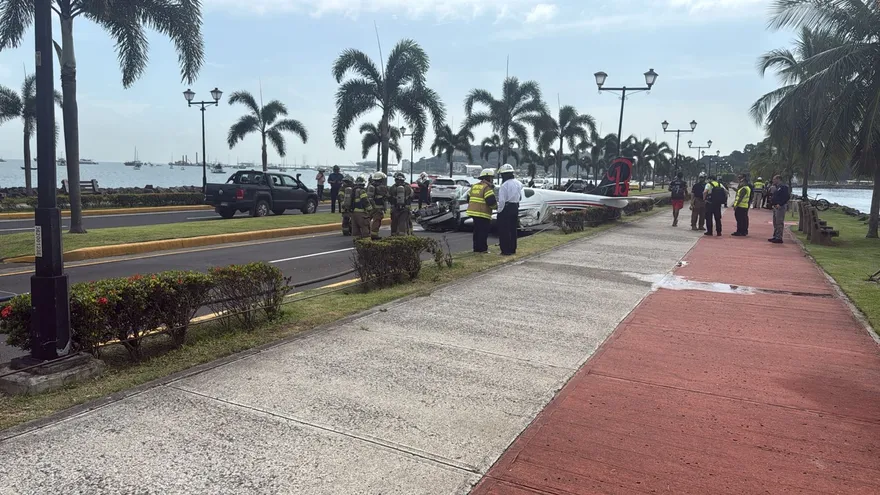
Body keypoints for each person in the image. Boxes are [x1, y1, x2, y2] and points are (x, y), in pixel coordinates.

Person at [467, 169, 497, 253]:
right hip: (482, 213)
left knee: (477, 231)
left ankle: (476, 248)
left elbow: (468, 198)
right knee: (483, 231)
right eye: (491, 178)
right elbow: (491, 201)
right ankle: (483, 249)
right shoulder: (487, 188)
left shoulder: (474, 186)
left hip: (473, 212)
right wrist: (496, 207)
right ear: (488, 178)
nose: (492, 180)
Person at [496, 164, 522, 256]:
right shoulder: (519, 183)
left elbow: (502, 201)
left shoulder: (504, 185)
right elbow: (520, 197)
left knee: (504, 230)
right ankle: (512, 249)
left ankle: (505, 250)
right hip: (515, 207)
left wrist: (499, 211)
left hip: (506, 208)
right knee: (513, 229)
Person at [367, 171, 388, 240]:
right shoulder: (381, 187)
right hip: (377, 207)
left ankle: (366, 234)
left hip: (370, 207)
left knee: (367, 220)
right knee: (377, 221)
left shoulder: (370, 186)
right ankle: (374, 235)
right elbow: (385, 196)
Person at [350, 175, 372, 239]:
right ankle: (366, 243)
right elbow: (365, 201)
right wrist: (370, 209)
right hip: (361, 213)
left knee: (355, 229)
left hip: (353, 213)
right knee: (365, 227)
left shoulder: (352, 190)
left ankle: (356, 241)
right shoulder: (362, 191)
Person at [769, 175, 790, 244]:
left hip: (780, 207)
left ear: (778, 179)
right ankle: (775, 235)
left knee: (779, 222)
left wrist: (780, 204)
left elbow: (786, 197)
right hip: (775, 206)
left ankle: (779, 237)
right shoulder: (777, 187)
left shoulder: (783, 187)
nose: (773, 181)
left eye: (774, 179)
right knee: (775, 222)